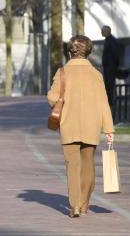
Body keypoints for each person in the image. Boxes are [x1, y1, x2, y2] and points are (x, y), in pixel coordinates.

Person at [47, 35, 115, 218]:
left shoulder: (62, 72)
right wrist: (109, 129)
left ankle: (75, 206)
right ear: (89, 52)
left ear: (70, 52)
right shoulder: (96, 75)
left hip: (69, 124)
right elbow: (103, 103)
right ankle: (84, 204)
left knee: (72, 166)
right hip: (91, 125)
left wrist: (62, 100)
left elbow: (52, 98)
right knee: (88, 165)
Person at [101, 25, 120, 109]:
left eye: (103, 31)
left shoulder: (112, 41)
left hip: (110, 67)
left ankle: (111, 102)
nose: (101, 32)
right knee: (107, 84)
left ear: (108, 31)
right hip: (107, 67)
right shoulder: (107, 40)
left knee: (110, 84)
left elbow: (116, 54)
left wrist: (115, 65)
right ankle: (109, 100)